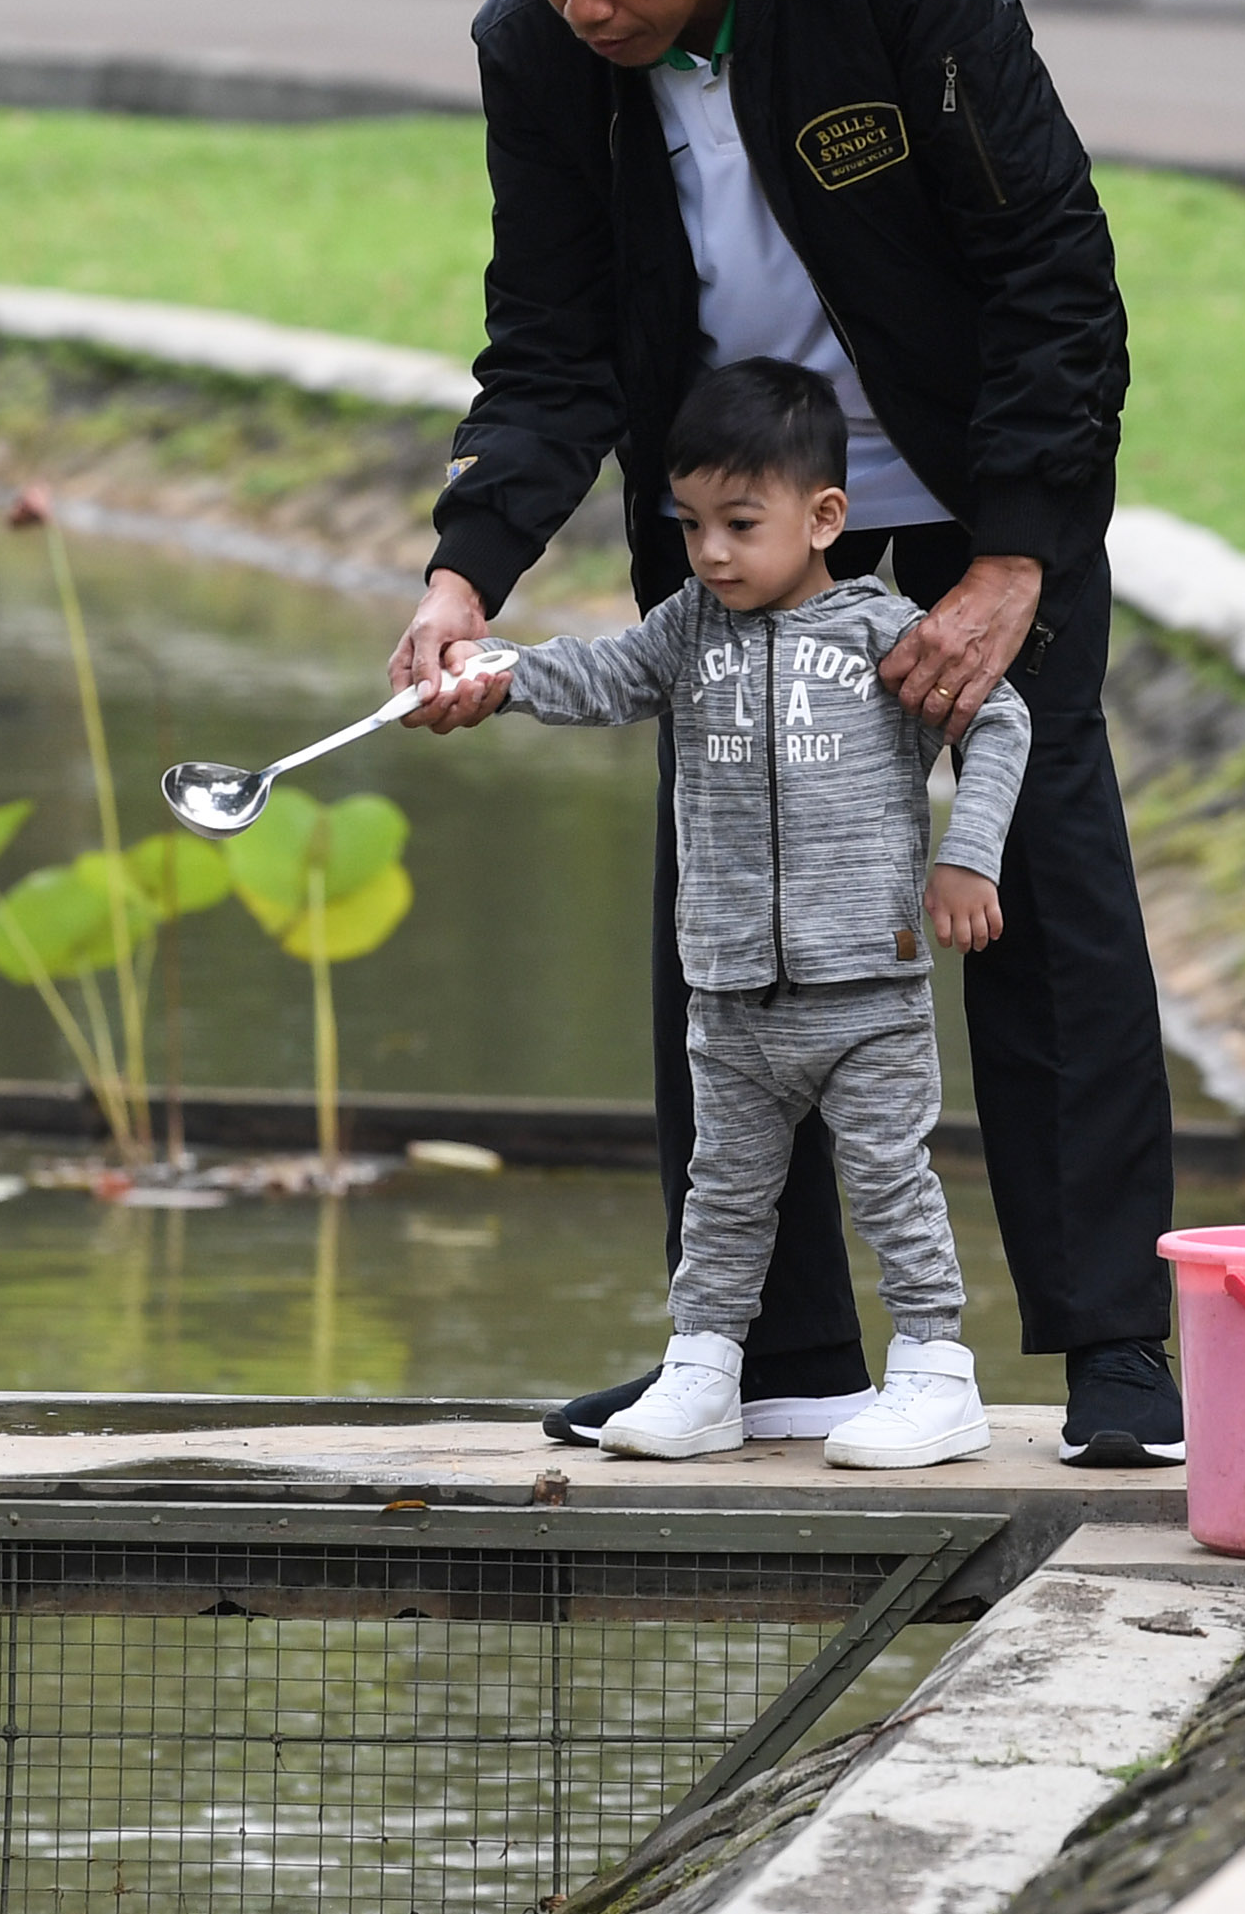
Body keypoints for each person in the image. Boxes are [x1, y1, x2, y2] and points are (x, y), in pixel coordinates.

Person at [389, 0, 1187, 1468]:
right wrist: (466, 574)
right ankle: (778, 1350)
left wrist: (1012, 555)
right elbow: (549, 345)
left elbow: (1054, 264)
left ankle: (1120, 1348)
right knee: (738, 916)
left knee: (1036, 882)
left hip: (978, 511)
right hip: (747, 540)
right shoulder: (537, 52)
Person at [427, 360, 1024, 1468]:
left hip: (869, 991)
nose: (710, 551)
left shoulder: (884, 635)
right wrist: (497, 675)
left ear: (824, 517)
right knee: (723, 1196)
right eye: (690, 522)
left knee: (893, 1184)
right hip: (733, 993)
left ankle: (937, 1373)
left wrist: (966, 857)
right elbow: (597, 676)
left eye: (739, 524)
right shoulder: (684, 630)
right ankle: (703, 1368)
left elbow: (998, 725)